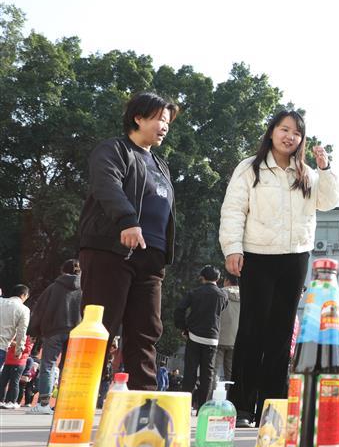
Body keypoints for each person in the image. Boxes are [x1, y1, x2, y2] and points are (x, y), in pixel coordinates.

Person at [219, 110, 338, 427]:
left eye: (297, 133)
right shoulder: (250, 168)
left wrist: (325, 168)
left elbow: (328, 202)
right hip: (257, 254)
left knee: (282, 333)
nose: (290, 137)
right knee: (252, 330)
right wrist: (232, 248)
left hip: (295, 256)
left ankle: (273, 407)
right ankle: (242, 406)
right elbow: (233, 209)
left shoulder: (307, 173)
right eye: (284, 129)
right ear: (271, 131)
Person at [78, 91, 178, 390]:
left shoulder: (160, 164)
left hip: (152, 258)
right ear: (138, 118)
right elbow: (106, 184)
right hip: (112, 250)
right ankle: (79, 394)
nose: (164, 127)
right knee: (101, 325)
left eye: (168, 122)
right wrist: (128, 220)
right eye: (160, 119)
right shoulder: (114, 149)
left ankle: (143, 398)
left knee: (146, 329)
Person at [26, 259, 82, 414]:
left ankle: (44, 404)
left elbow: (39, 310)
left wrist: (34, 331)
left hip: (53, 331)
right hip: (77, 333)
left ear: (63, 270)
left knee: (48, 366)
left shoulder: (53, 287)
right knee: (68, 368)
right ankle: (63, 404)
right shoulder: (85, 288)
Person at [175, 265, 228, 407]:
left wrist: (183, 327)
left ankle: (185, 405)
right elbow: (222, 308)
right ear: (218, 278)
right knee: (207, 374)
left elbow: (180, 309)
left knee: (190, 371)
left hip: (194, 335)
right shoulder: (223, 295)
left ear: (202, 277)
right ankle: (203, 406)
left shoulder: (195, 293)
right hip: (212, 338)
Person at [215, 271, 241, 381]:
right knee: (231, 373)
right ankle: (231, 392)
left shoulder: (219, 293)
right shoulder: (246, 295)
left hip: (218, 337)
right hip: (236, 340)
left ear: (227, 281)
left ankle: (211, 392)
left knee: (213, 371)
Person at [0, 285, 30, 371]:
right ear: (23, 295)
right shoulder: (24, 310)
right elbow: (22, 331)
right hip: (2, 346)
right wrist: (19, 350)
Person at [0, 336, 34, 408]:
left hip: (18, 362)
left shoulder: (28, 336)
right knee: (2, 381)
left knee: (14, 382)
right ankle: (1, 401)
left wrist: (16, 344)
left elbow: (28, 349)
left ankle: (12, 401)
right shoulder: (13, 334)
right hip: (7, 361)